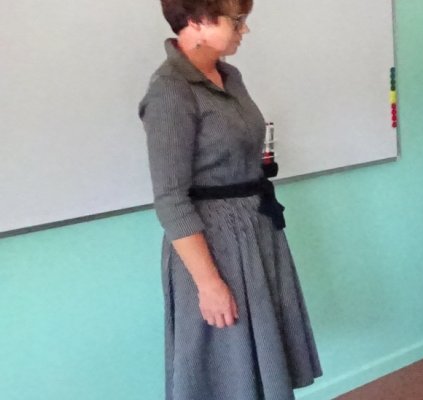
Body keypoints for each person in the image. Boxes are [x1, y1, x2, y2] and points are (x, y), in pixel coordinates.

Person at [141, 0, 321, 398]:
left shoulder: (229, 76)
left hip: (255, 230)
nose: (244, 30)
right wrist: (208, 284)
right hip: (213, 246)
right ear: (196, 22)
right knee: (228, 373)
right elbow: (170, 200)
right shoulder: (169, 91)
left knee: (265, 368)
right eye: (236, 21)